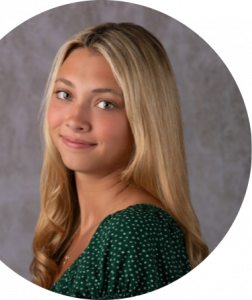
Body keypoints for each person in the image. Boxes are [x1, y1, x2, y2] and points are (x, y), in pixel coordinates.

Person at [30, 22, 208, 297]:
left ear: (145, 119)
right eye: (65, 94)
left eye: (105, 104)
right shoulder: (72, 227)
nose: (75, 120)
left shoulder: (136, 231)